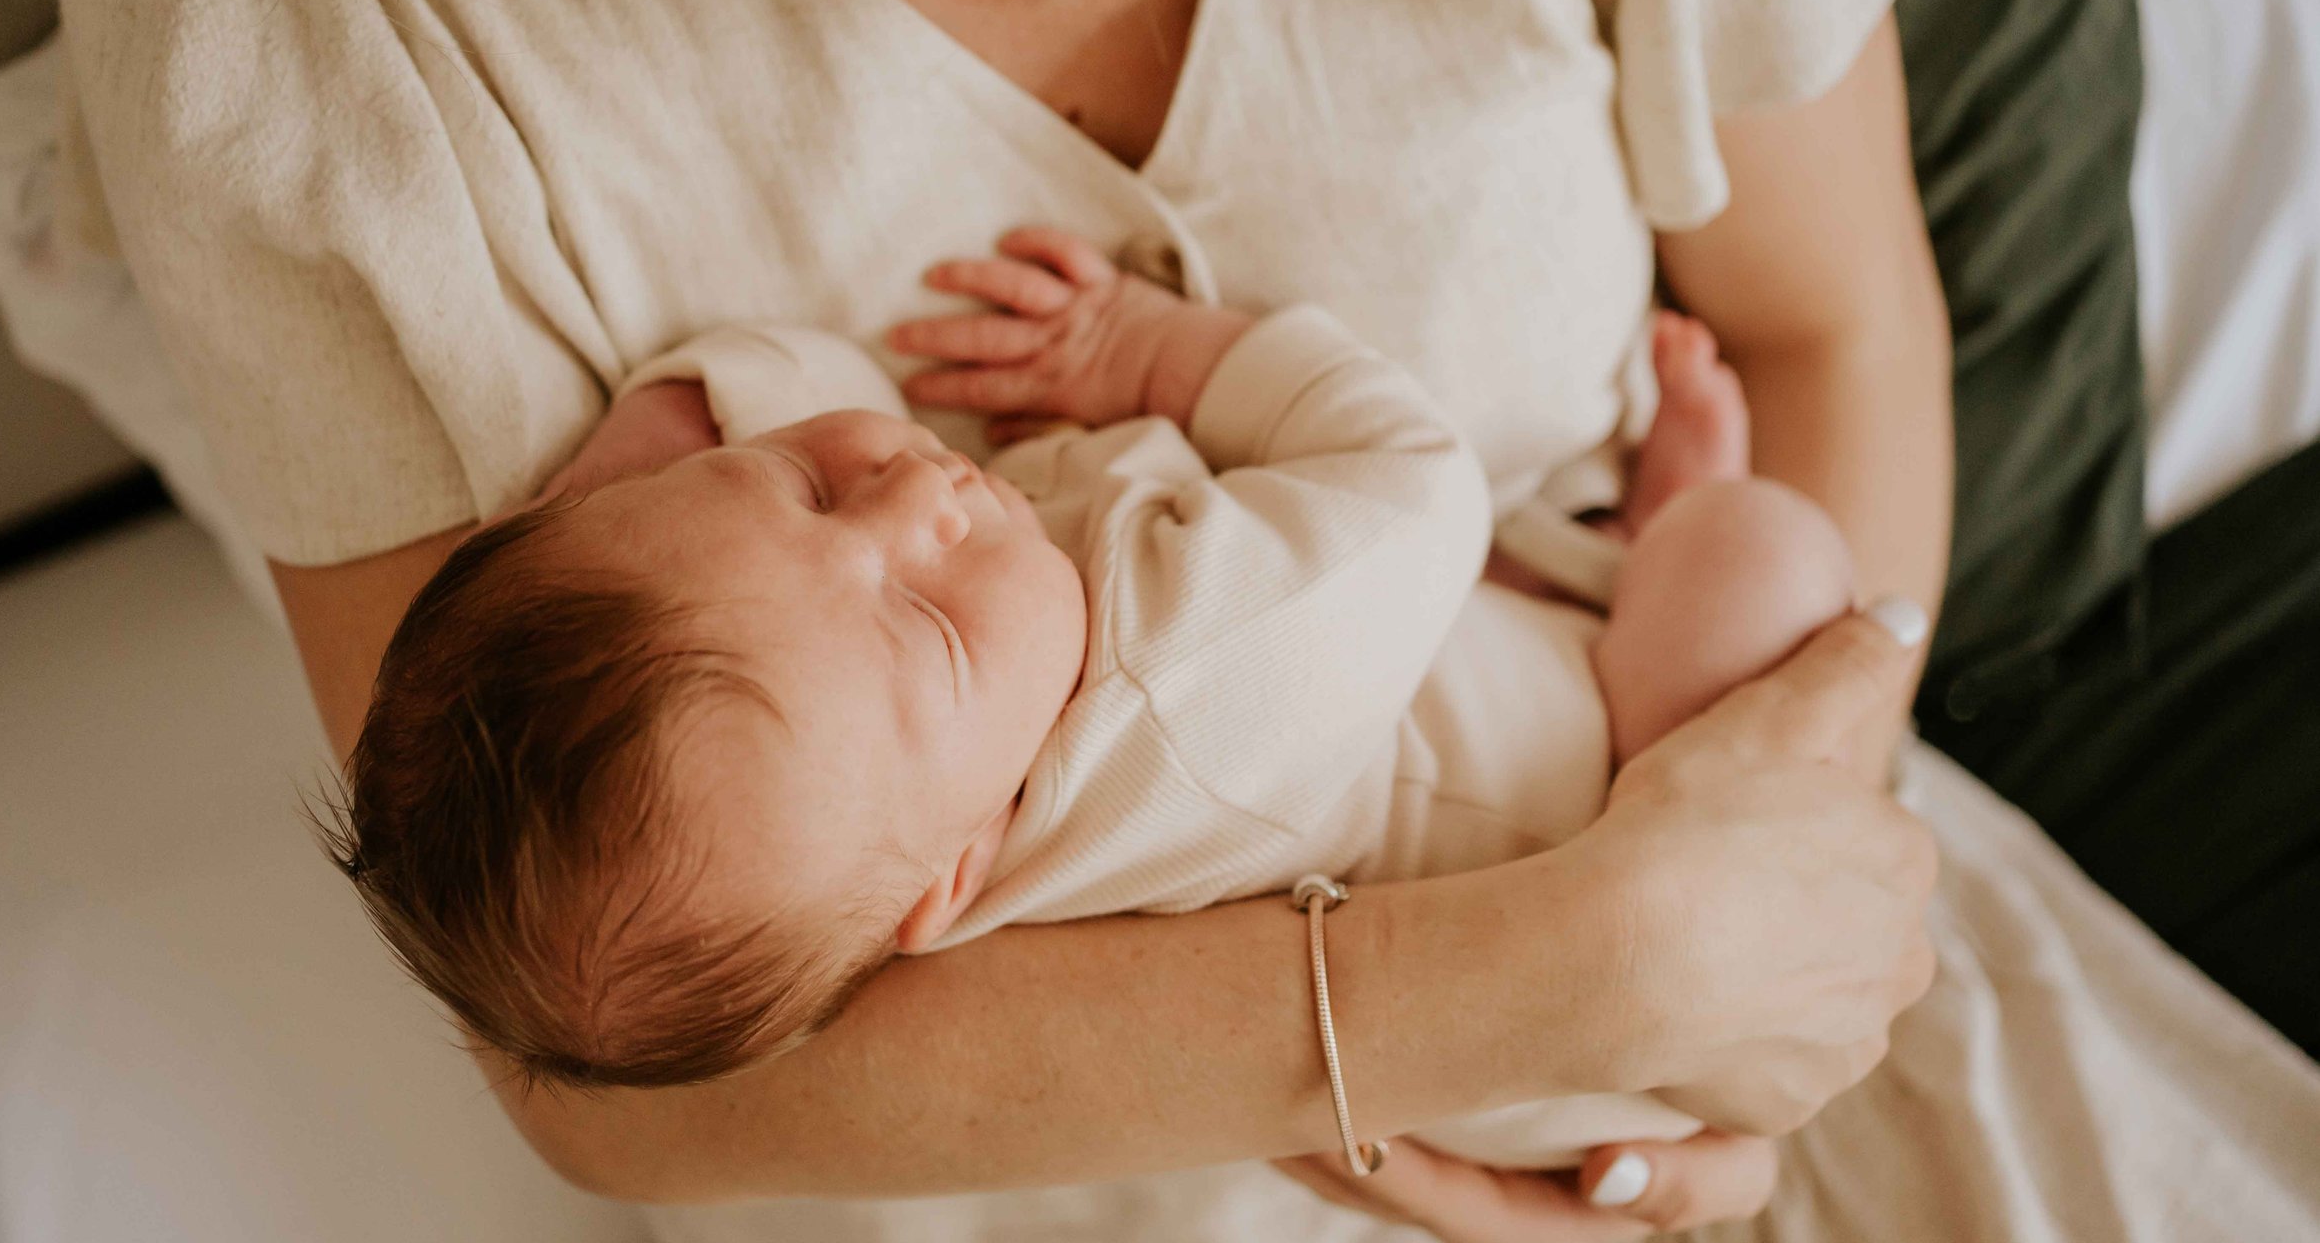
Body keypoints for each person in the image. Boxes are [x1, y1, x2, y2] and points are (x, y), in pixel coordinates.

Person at [22, 0, 2320, 1243]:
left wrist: (1776, 892)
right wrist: (1530, 991)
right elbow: (594, 1048)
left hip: (1750, 849)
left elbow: (1824, 332)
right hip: (1085, 1195)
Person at [334, 229, 1856, 1175]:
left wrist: (682, 415)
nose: (913, 499)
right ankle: (1662, 551)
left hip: (1463, 807)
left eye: (798, 480)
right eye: (924, 621)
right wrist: (1153, 353)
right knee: (1762, 552)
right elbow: (1411, 485)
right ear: (945, 883)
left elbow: (828, 403)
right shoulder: (1174, 684)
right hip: (1631, 831)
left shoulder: (878, 794)